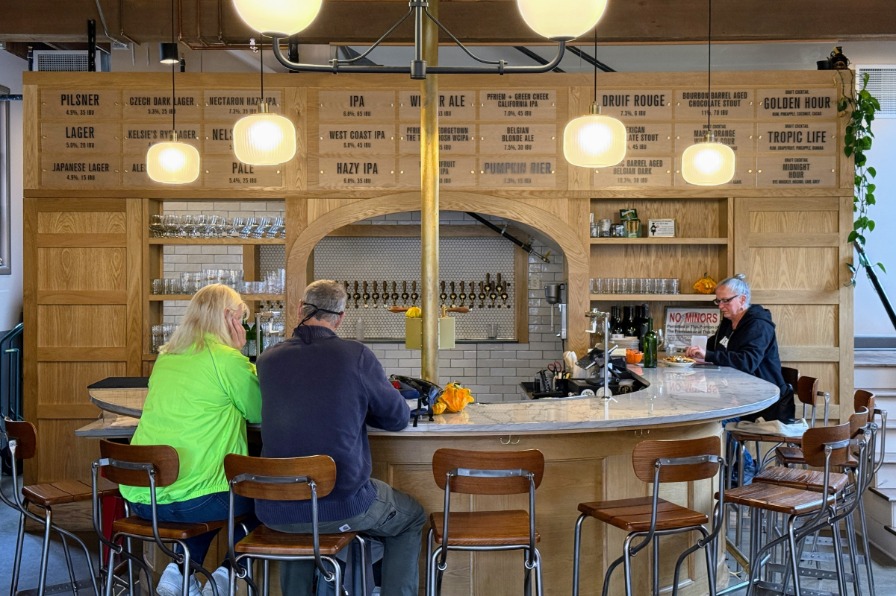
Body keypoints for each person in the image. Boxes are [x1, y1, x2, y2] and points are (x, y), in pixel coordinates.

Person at [255, 279, 425, 596]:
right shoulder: (355, 355)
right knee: (411, 517)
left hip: (275, 509)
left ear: (299, 309)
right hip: (342, 507)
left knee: (300, 516)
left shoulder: (267, 360)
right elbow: (398, 417)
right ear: (342, 317)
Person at [119, 284, 262, 596]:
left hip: (144, 498)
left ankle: (179, 571)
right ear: (229, 318)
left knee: (203, 498)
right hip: (195, 501)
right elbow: (258, 410)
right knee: (266, 501)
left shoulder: (167, 356)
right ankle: (225, 576)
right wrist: (240, 354)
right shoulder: (227, 360)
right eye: (242, 319)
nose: (244, 328)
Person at [684, 273, 794, 483]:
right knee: (703, 411)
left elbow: (747, 361)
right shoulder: (729, 322)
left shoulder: (759, 325)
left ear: (742, 299)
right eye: (718, 301)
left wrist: (707, 355)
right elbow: (718, 345)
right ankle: (727, 472)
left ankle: (743, 468)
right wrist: (696, 349)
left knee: (716, 421)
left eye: (726, 300)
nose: (720, 306)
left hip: (763, 399)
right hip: (735, 391)